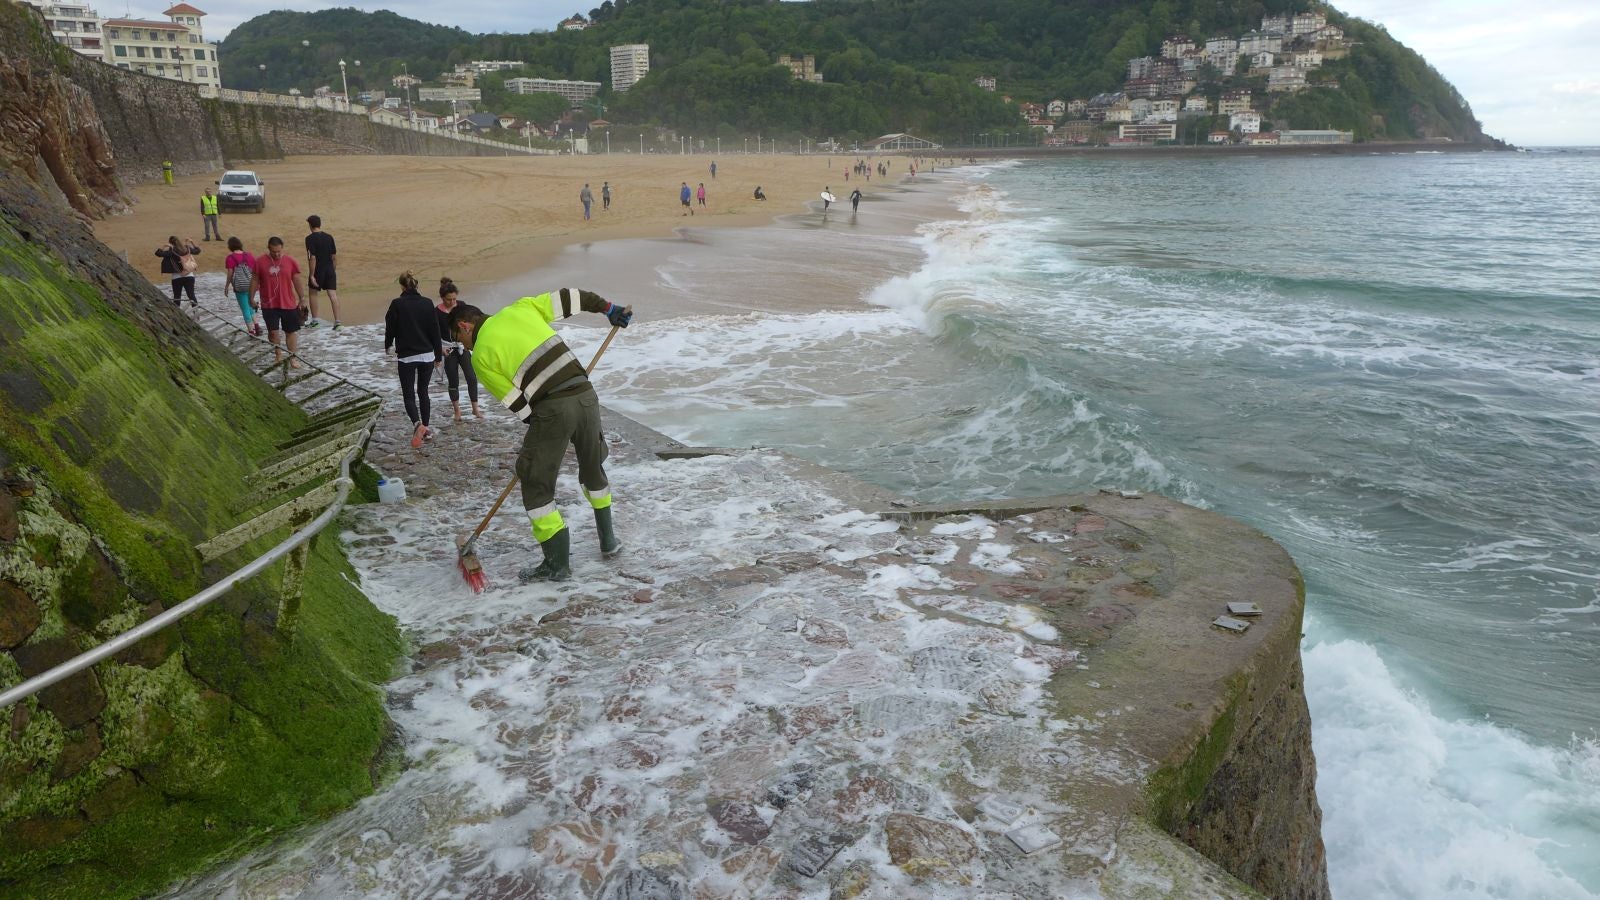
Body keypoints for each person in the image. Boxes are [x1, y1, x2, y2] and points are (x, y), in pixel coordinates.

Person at [446, 289, 633, 582]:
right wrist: (609, 308)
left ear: (465, 326)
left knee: (535, 482)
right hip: (586, 396)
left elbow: (519, 406)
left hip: (552, 408)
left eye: (461, 341)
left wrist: (545, 432)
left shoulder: (480, 356)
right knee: (593, 467)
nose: (465, 348)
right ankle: (609, 542)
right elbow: (572, 297)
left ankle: (557, 565)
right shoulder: (521, 308)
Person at [383, 271, 443, 449]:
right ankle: (426, 427)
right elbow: (435, 330)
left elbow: (390, 327)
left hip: (407, 356)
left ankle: (418, 424)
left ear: (402, 286)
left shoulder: (397, 304)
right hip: (427, 355)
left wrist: (388, 345)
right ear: (416, 285)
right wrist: (438, 355)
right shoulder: (427, 303)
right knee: (423, 391)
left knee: (408, 393)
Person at [249, 236, 308, 369]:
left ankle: (293, 357)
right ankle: (278, 354)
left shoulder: (290, 261)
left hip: (288, 303)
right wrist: (251, 298)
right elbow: (254, 280)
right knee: (273, 333)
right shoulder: (260, 262)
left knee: (291, 332)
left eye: (279, 251)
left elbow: (297, 280)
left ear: (282, 249)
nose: (276, 254)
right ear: (269, 248)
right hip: (268, 305)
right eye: (274, 251)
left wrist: (302, 298)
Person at [435, 276, 481, 423]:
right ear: (442, 298)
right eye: (449, 299)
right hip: (448, 349)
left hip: (463, 347)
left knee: (471, 378)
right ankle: (457, 411)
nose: (453, 302)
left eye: (455, 299)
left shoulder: (461, 306)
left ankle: (475, 409)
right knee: (453, 380)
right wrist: (440, 349)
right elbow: (433, 333)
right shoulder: (436, 312)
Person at [303, 215, 341, 329]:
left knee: (313, 293)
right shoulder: (329, 237)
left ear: (310, 225)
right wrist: (332, 270)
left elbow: (312, 257)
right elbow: (334, 256)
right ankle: (338, 322)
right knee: (333, 295)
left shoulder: (309, 239)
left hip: (318, 270)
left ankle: (315, 321)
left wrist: (311, 275)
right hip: (329, 269)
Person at [224, 237, 259, 336]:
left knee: (245, 308)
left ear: (230, 246)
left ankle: (251, 331)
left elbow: (230, 273)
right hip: (251, 284)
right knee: (250, 304)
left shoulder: (230, 258)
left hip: (240, 287)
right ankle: (256, 325)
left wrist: (227, 286)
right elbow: (254, 270)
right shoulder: (249, 255)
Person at [155, 235, 200, 307]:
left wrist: (164, 246)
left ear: (170, 243)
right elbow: (197, 251)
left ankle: (178, 315)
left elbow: (158, 253)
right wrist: (192, 242)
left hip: (176, 277)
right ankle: (196, 315)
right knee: (191, 296)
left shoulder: (171, 252)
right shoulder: (187, 249)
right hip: (189, 276)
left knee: (177, 297)